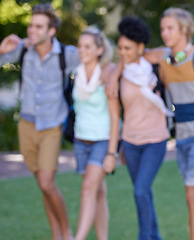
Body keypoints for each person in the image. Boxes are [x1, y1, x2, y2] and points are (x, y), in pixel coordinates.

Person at [107, 8, 194, 240]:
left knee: (192, 194)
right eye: (163, 28)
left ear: (184, 30)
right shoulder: (164, 57)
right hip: (182, 135)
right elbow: (134, 53)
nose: (165, 33)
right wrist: (116, 73)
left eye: (170, 28)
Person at [0, 3, 79, 240]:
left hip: (51, 127)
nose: (31, 30)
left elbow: (98, 59)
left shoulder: (68, 54)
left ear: (51, 31)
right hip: (26, 126)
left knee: (46, 183)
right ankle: (56, 233)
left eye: (38, 26)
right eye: (31, 25)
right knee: (42, 184)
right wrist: (1, 49)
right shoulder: (23, 50)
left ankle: (66, 231)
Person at [116, 16, 171, 240]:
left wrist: (147, 54)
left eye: (128, 47)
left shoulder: (155, 68)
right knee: (143, 193)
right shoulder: (118, 74)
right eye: (119, 47)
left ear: (140, 46)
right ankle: (153, 236)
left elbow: (172, 52)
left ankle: (144, 237)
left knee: (140, 190)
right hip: (130, 143)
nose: (122, 52)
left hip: (155, 140)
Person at [72, 27, 119, 240]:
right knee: (97, 193)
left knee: (87, 189)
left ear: (100, 50)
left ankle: (78, 237)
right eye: (80, 46)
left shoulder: (108, 74)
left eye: (87, 46)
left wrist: (111, 153)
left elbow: (115, 118)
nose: (82, 50)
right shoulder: (77, 73)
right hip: (80, 141)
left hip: (102, 141)